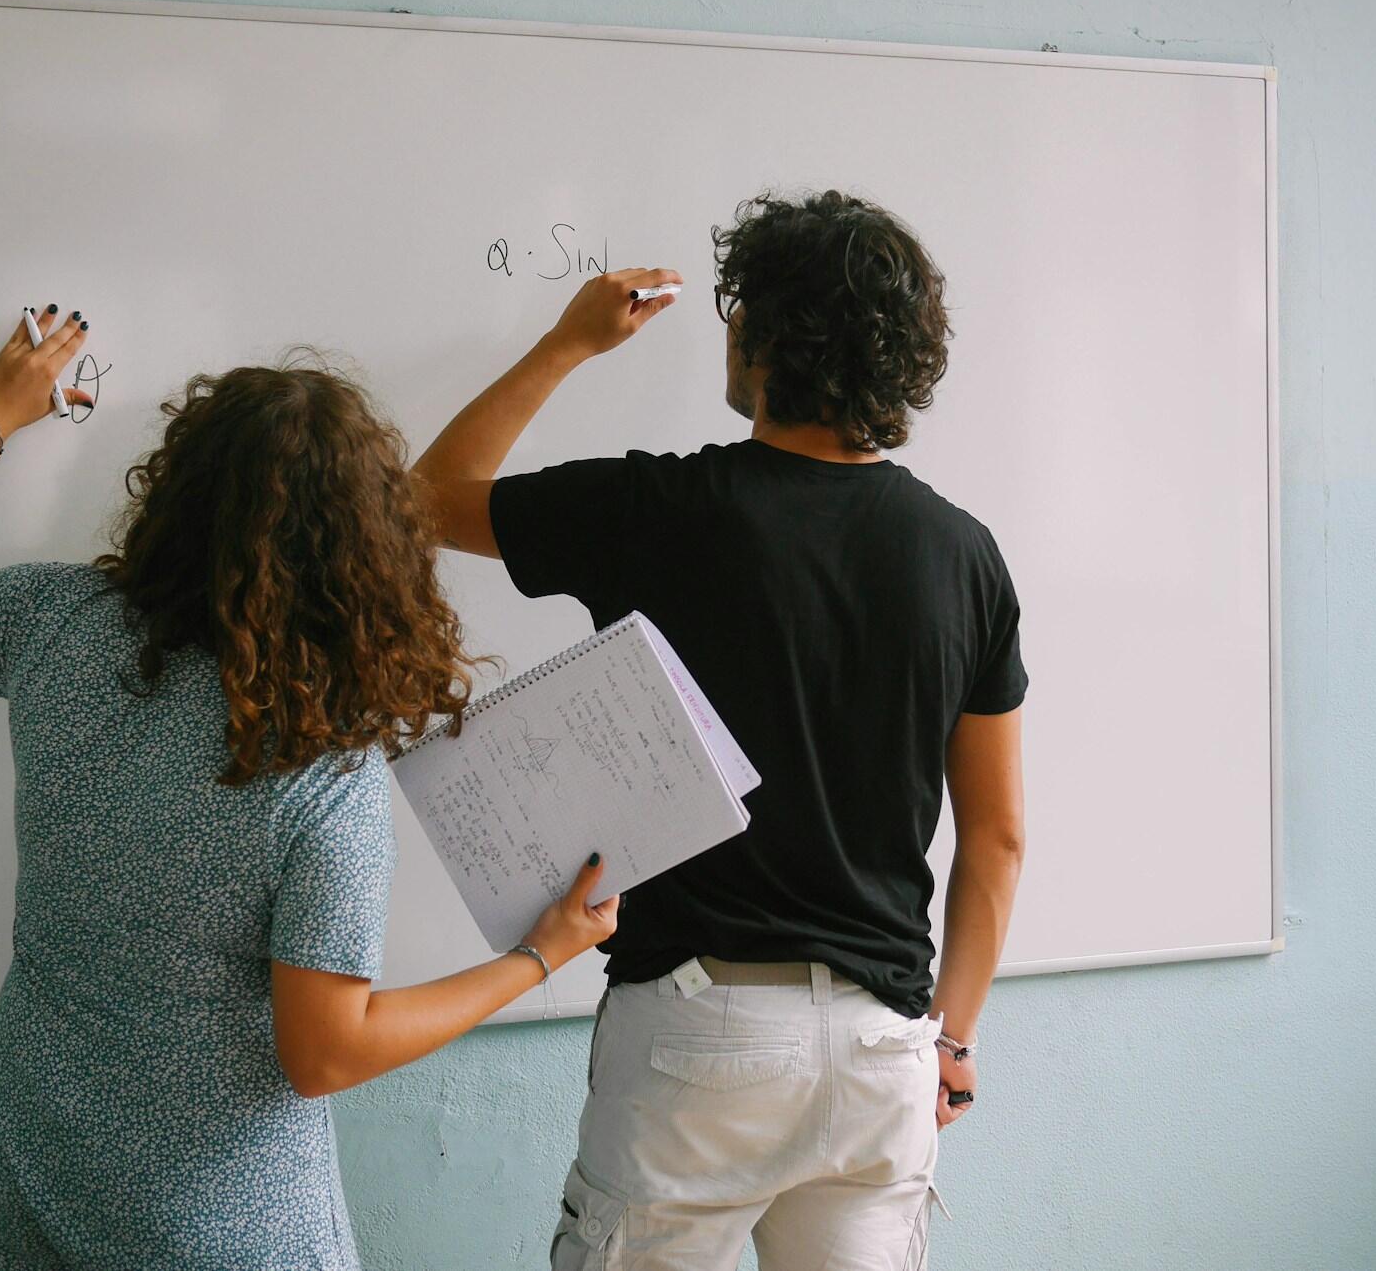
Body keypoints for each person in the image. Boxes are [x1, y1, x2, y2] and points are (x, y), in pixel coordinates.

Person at [0, 308, 617, 1271]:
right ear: (367, 555)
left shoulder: (57, 624)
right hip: (219, 1223)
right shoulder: (320, 772)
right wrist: (538, 958)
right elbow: (325, 1055)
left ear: (175, 496)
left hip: (33, 1167)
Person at [412, 192, 1028, 1271]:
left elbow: (423, 498)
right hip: (886, 1047)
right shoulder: (964, 554)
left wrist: (564, 346)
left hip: (701, 1029)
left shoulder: (660, 509)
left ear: (769, 336)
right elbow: (999, 838)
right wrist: (955, 1037)